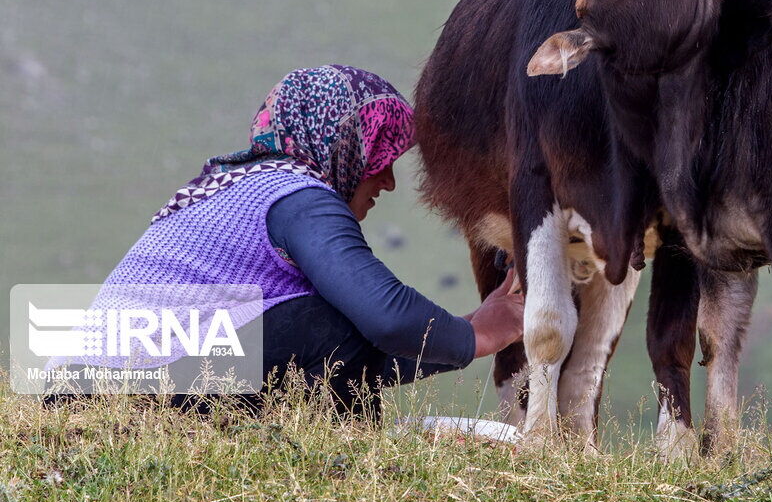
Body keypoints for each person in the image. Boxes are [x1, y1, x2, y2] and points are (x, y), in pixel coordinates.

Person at [70, 64, 524, 418]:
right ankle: (349, 478)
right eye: (379, 157)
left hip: (84, 393)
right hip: (128, 390)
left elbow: (362, 355)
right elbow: (385, 320)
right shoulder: (297, 195)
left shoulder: (228, 187)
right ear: (342, 143)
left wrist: (475, 328)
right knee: (325, 318)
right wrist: (478, 334)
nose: (387, 182)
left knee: (330, 326)